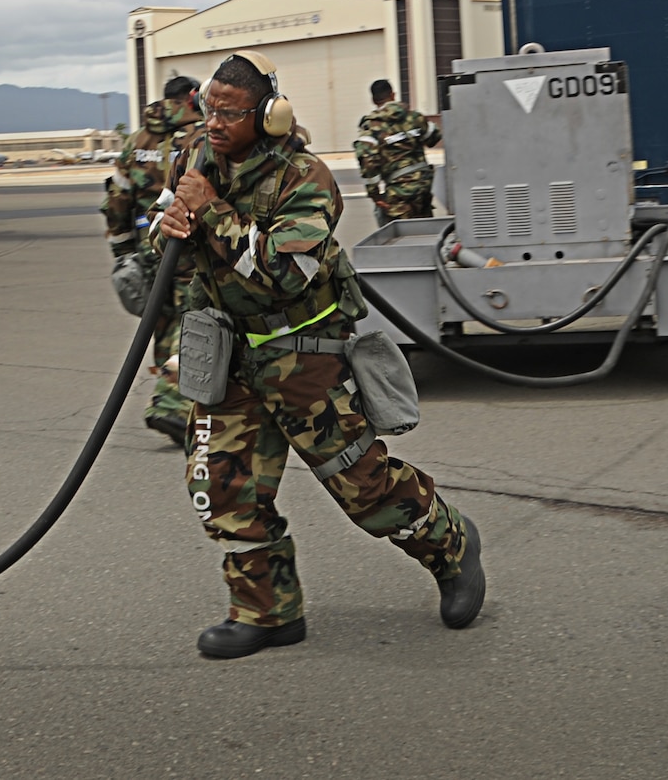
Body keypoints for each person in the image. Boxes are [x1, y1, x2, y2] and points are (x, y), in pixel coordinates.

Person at [156, 52, 483, 659]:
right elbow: (166, 239)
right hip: (229, 354)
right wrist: (171, 222)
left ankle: (452, 545)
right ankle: (267, 611)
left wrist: (212, 213)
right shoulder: (192, 159)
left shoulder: (304, 178)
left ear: (269, 116)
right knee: (221, 488)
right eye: (208, 109)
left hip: (302, 357)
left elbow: (283, 272)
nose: (215, 123)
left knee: (366, 490)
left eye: (229, 113)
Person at [100, 74, 204, 445]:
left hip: (150, 249)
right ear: (192, 98)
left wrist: (123, 252)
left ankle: (178, 405)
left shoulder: (137, 141)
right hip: (190, 249)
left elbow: (116, 200)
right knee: (194, 324)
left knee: (164, 328)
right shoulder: (199, 137)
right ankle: (170, 405)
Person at [354, 78, 441, 226]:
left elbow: (368, 162)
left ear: (374, 100)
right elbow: (433, 138)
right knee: (425, 231)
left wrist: (375, 195)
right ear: (393, 95)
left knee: (400, 237)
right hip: (423, 186)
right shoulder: (414, 117)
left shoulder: (371, 127)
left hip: (398, 192)